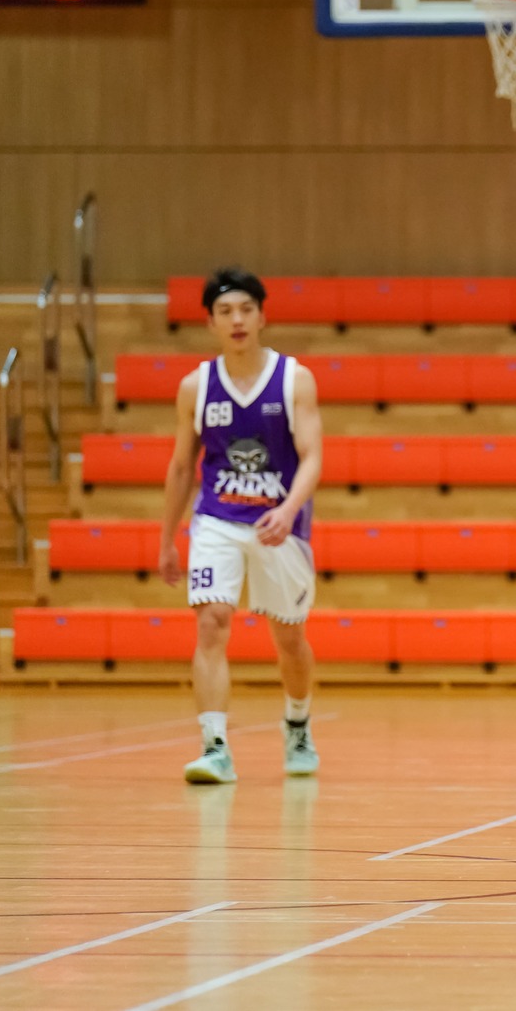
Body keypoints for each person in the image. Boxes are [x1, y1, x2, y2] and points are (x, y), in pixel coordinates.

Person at [158, 269, 323, 784]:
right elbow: (182, 467)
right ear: (210, 322)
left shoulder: (294, 379)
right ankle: (214, 748)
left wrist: (289, 509)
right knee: (211, 622)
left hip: (279, 523)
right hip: (217, 519)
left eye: (246, 309)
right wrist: (167, 539)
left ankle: (297, 724)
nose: (237, 320)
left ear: (262, 316)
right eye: (225, 311)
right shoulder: (196, 387)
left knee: (289, 638)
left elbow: (313, 457)